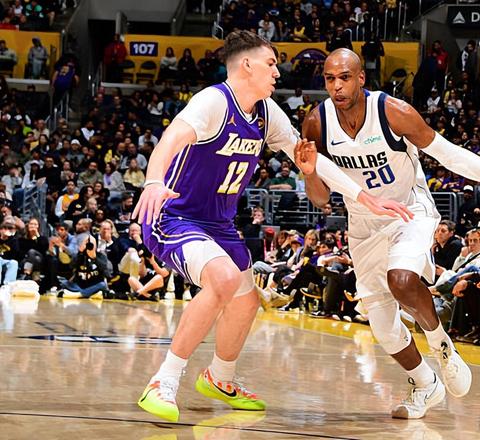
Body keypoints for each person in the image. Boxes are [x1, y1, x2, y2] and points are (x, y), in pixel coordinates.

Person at [132, 31, 411, 423]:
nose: (278, 72)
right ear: (247, 65)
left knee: (247, 301)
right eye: (271, 63)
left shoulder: (266, 112)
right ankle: (163, 380)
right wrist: (153, 181)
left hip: (219, 224)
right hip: (175, 216)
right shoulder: (214, 101)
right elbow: (171, 139)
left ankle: (220, 378)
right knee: (223, 278)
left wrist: (363, 196)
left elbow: (308, 157)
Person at [299, 48, 480, 419]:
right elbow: (321, 199)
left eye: (345, 78)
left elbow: (449, 154)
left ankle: (441, 345)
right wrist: (309, 172)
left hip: (409, 211)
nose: (337, 86)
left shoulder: (393, 112)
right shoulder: (317, 123)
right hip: (364, 225)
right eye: (330, 79)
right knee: (383, 329)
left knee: (402, 280)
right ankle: (425, 383)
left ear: (361, 79)